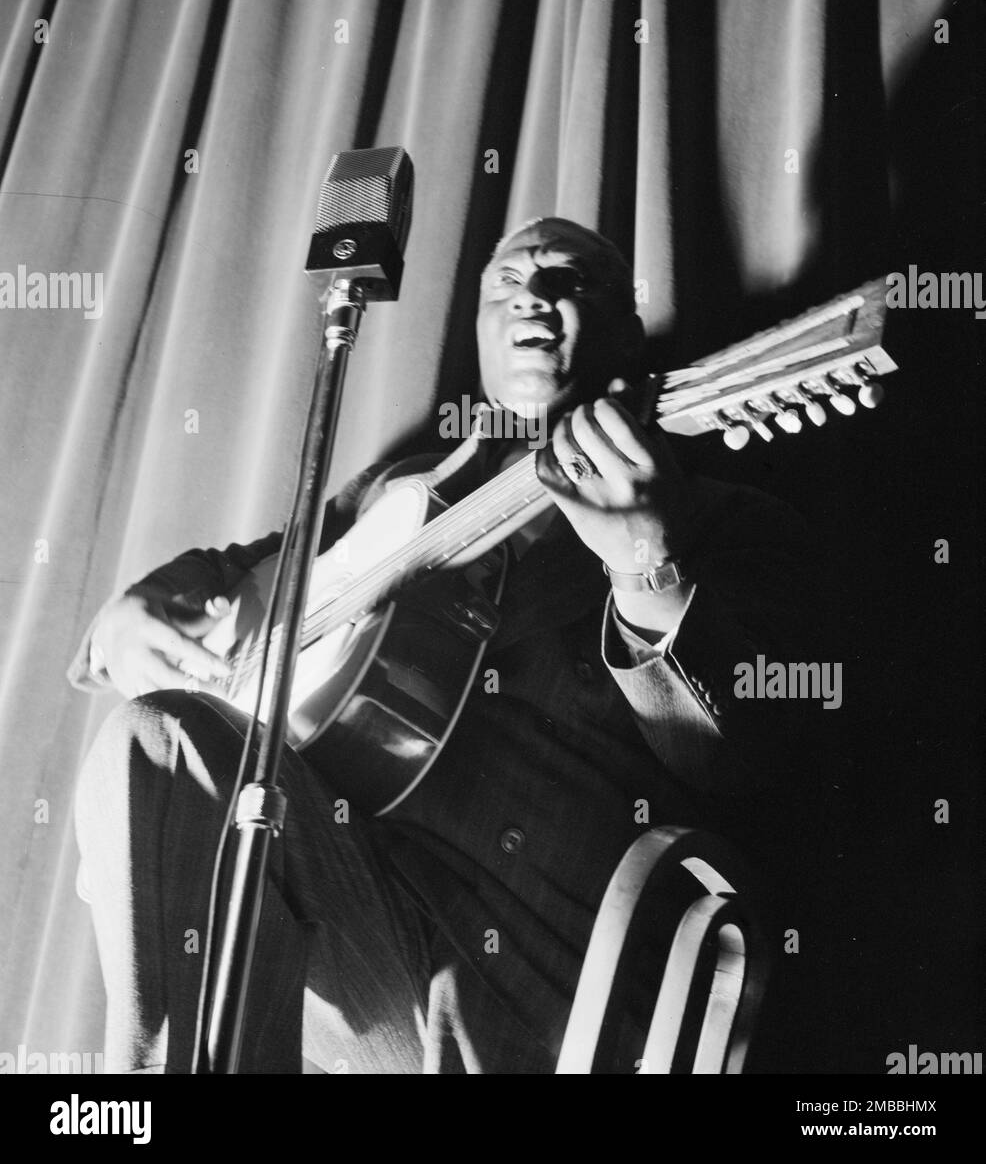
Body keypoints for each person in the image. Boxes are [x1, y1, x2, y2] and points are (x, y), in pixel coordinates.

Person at [70, 215, 812, 1074]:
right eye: (508, 283)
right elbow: (246, 575)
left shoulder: (722, 522)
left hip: (543, 996)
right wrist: (134, 612)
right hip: (356, 953)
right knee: (153, 738)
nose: (533, 296)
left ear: (628, 330)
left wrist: (646, 565)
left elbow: (747, 768)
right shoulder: (398, 489)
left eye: (570, 280)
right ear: (480, 332)